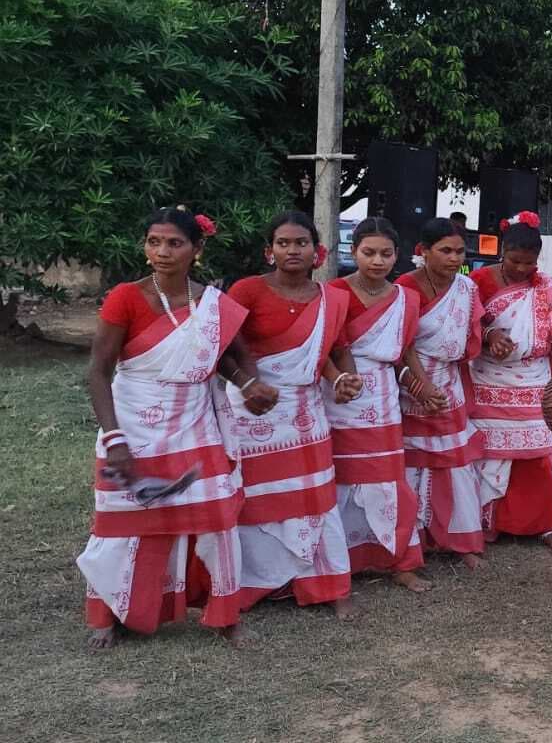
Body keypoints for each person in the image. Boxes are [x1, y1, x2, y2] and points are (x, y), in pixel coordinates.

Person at [79, 207, 264, 648]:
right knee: (120, 523)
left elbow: (226, 361)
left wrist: (249, 384)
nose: (161, 251)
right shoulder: (125, 296)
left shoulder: (213, 303)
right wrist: (114, 438)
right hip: (132, 426)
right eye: (153, 241)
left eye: (174, 243)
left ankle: (225, 615)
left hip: (195, 425)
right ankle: (105, 613)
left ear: (196, 249)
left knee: (217, 518)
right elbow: (98, 371)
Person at [222, 211, 358, 618]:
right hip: (252, 412)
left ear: (316, 252)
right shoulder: (246, 291)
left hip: (305, 411)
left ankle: (326, 587)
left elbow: (337, 349)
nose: (292, 250)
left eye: (301, 243)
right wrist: (248, 385)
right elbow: (222, 348)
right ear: (270, 252)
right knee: (255, 499)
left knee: (314, 498)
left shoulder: (333, 298)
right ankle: (253, 587)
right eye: (283, 243)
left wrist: (345, 379)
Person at [327, 217, 442, 592]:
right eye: (369, 252)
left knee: (388, 482)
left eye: (386, 254)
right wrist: (340, 380)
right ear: (353, 252)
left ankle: (400, 563)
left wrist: (423, 386)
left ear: (398, 256)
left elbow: (405, 350)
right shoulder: (332, 293)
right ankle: (339, 560)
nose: (377, 261)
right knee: (340, 482)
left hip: (383, 399)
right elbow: (325, 348)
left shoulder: (405, 299)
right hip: (337, 398)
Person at [468, 211, 552, 552]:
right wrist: (489, 335)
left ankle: (543, 524)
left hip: (535, 380)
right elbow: (467, 325)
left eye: (529, 264)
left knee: (538, 454)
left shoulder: (545, 287)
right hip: (490, 380)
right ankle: (490, 522)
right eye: (515, 261)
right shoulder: (480, 281)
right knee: (492, 456)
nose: (521, 270)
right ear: (502, 251)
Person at [395, 217, 489, 568]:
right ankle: (413, 540)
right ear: (424, 252)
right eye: (445, 251)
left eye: (459, 251)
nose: (453, 258)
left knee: (456, 462)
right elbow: (403, 343)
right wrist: (420, 386)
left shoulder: (466, 288)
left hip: (450, 382)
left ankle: (461, 541)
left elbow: (474, 332)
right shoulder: (405, 286)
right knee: (413, 463)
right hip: (411, 385)